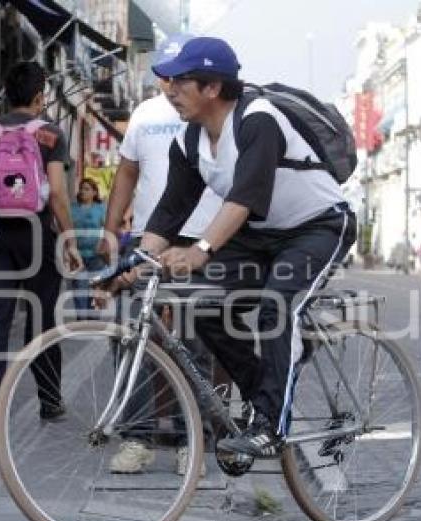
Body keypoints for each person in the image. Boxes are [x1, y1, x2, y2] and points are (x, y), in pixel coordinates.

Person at [109, 37, 356, 458]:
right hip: (261, 235)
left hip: (318, 227)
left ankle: (271, 427)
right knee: (201, 302)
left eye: (180, 82)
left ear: (212, 87)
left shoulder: (259, 120)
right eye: (167, 82)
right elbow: (170, 212)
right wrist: (136, 260)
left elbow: (244, 197)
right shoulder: (190, 140)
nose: (169, 91)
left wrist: (200, 250)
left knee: (277, 306)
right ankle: (263, 394)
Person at [101, 34, 223, 474]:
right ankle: (138, 437)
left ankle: (196, 439)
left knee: (194, 341)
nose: (170, 82)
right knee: (133, 336)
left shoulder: (209, 113)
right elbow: (127, 171)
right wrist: (111, 229)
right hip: (150, 238)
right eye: (164, 73)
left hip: (199, 242)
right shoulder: (145, 113)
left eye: (178, 72)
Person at [0, 61, 82, 429]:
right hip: (37, 233)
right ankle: (49, 400)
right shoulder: (50, 134)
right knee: (42, 317)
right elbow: (58, 194)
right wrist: (70, 241)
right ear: (40, 95)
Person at [70, 178, 106, 314]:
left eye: (87, 189)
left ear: (94, 193)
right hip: (78, 257)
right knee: (80, 291)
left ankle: (93, 323)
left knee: (95, 291)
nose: (83, 191)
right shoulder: (72, 208)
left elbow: (108, 228)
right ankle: (81, 323)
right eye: (81, 188)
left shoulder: (101, 208)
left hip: (97, 257)